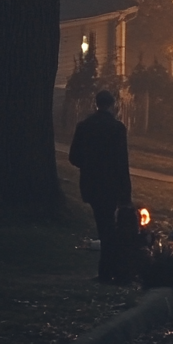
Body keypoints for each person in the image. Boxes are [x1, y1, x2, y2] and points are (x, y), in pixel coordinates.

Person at [68, 90, 132, 283]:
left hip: (91, 184)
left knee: (104, 226)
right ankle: (111, 271)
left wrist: (88, 166)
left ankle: (108, 270)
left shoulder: (84, 126)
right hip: (111, 184)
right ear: (113, 105)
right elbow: (122, 162)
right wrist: (126, 193)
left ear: (96, 104)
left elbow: (73, 157)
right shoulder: (117, 128)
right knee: (108, 229)